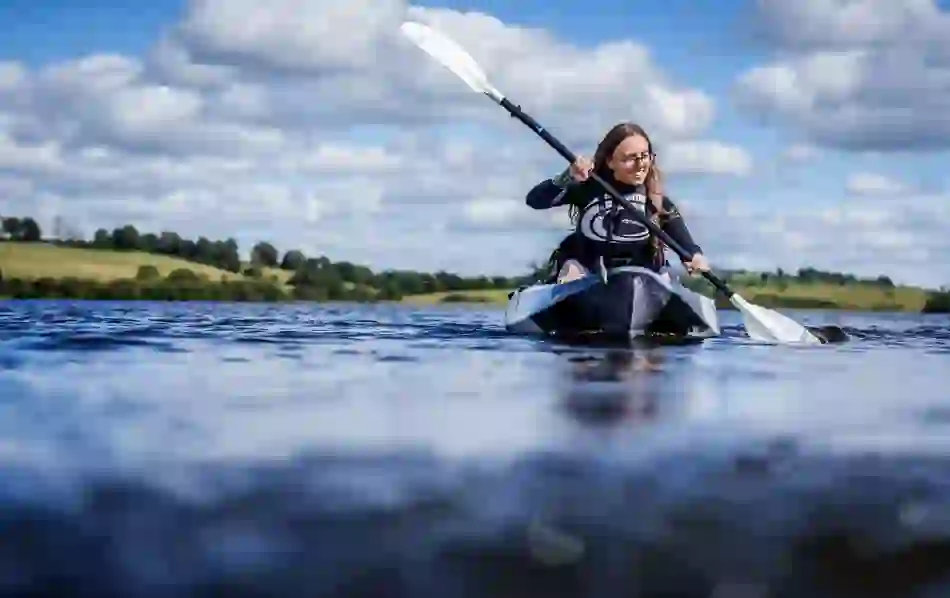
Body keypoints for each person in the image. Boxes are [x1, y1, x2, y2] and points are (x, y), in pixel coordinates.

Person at [525, 122, 711, 284]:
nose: (640, 165)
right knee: (572, 269)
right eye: (630, 158)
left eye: (644, 156)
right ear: (610, 161)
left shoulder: (657, 200)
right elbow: (534, 200)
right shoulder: (588, 188)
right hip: (586, 270)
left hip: (642, 276)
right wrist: (567, 176)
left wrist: (695, 256)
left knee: (665, 275)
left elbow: (685, 242)